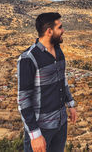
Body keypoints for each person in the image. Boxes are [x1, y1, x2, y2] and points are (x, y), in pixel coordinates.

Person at [17, 12, 77, 152]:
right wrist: (35, 134)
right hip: (41, 129)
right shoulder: (28, 58)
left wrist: (70, 104)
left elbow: (62, 79)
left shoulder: (58, 51)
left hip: (61, 124)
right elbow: (23, 99)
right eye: (60, 27)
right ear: (49, 31)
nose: (63, 31)